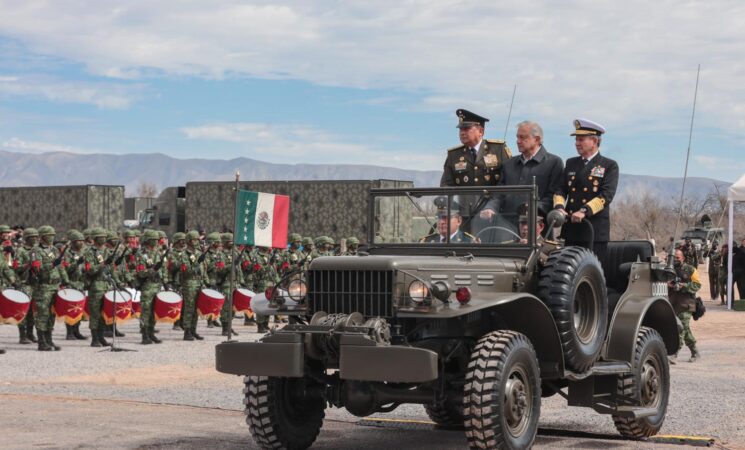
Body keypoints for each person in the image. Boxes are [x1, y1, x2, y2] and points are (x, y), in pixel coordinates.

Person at [553, 118, 619, 262]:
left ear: (595, 141)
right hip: (571, 229)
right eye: (576, 140)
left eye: (581, 139)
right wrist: (559, 207)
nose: (577, 143)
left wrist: (584, 211)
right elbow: (561, 189)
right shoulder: (571, 163)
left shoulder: (609, 165)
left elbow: (606, 196)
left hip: (593, 231)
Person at [498, 121, 564, 215]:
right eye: (517, 137)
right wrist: (490, 208)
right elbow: (499, 193)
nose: (518, 141)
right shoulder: (509, 164)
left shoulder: (554, 163)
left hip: (537, 224)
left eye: (522, 137)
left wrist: (534, 207)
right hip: (506, 223)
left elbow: (554, 195)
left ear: (537, 139)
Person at [668, 248, 701, 363]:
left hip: (686, 304)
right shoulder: (668, 270)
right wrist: (668, 284)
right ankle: (695, 351)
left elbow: (697, 285)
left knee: (681, 328)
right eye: (673, 257)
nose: (675, 260)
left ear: (683, 258)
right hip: (673, 304)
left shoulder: (690, 269)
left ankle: (674, 354)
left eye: (677, 257)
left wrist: (684, 286)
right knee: (685, 329)